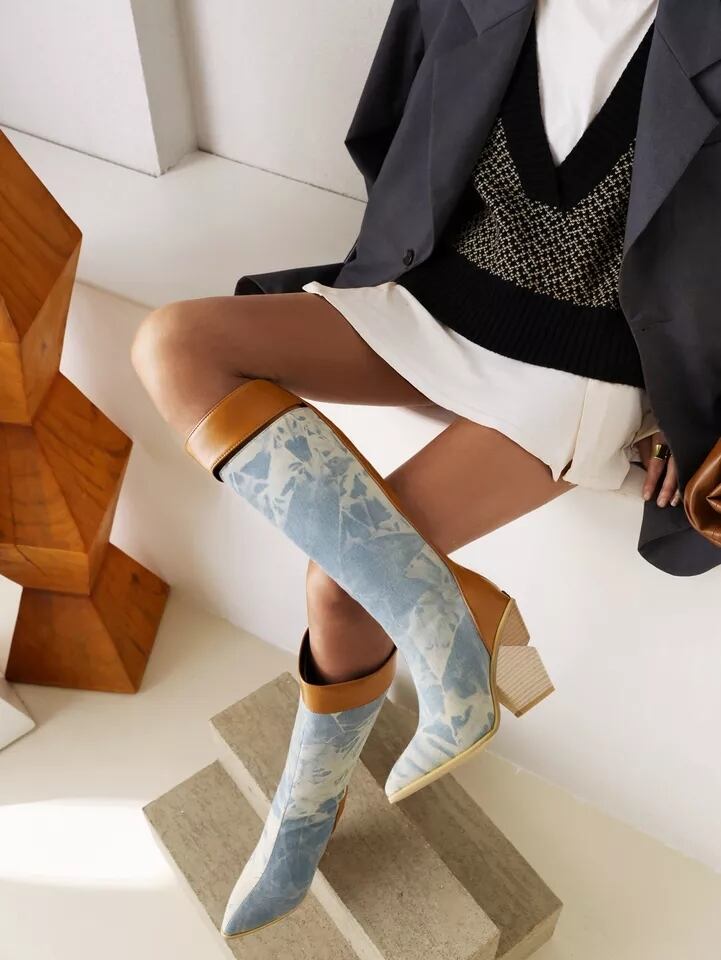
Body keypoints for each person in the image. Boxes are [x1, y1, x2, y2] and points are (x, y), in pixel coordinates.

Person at [131, 0, 721, 940]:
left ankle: (304, 815)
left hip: (582, 364)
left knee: (342, 582)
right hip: (429, 300)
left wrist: (690, 411)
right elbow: (388, 127)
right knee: (175, 342)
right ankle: (450, 624)